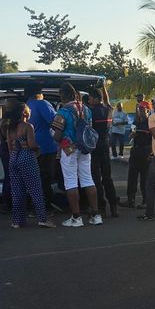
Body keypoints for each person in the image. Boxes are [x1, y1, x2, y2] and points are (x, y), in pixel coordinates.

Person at [52, 83, 102, 227]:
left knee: (70, 182)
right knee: (88, 179)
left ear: (63, 95)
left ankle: (76, 217)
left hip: (69, 150)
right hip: (85, 148)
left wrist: (54, 136)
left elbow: (57, 136)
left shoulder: (63, 112)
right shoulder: (86, 109)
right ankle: (96, 215)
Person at [7, 103, 55, 229]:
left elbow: (9, 147)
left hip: (13, 158)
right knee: (35, 189)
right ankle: (42, 219)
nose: (31, 112)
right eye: (29, 110)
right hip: (27, 157)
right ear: (24, 113)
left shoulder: (10, 128)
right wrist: (38, 148)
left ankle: (17, 221)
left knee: (17, 191)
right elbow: (32, 144)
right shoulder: (28, 126)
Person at [25, 85, 59, 211]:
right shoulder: (42, 104)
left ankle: (34, 205)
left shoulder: (27, 106)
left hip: (30, 146)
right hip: (46, 146)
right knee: (45, 177)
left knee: (34, 177)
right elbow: (55, 121)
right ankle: (45, 206)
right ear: (38, 94)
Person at [88, 85, 118, 217]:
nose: (88, 101)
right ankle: (113, 206)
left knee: (96, 178)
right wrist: (104, 87)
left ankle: (101, 207)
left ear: (95, 99)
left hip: (94, 146)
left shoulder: (90, 112)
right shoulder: (109, 110)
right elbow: (107, 100)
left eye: (89, 98)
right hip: (106, 145)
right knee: (107, 178)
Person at [119, 103, 151, 209]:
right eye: (139, 109)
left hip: (146, 150)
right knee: (132, 176)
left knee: (144, 178)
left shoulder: (150, 122)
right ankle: (130, 199)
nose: (140, 111)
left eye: (143, 109)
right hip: (136, 149)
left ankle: (146, 201)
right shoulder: (136, 122)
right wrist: (133, 134)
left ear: (148, 110)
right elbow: (131, 134)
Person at [0, 98, 20, 214]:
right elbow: (8, 139)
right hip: (8, 149)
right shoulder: (7, 122)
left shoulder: (4, 119)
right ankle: (6, 203)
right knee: (10, 176)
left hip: (5, 149)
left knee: (9, 175)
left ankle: (8, 202)